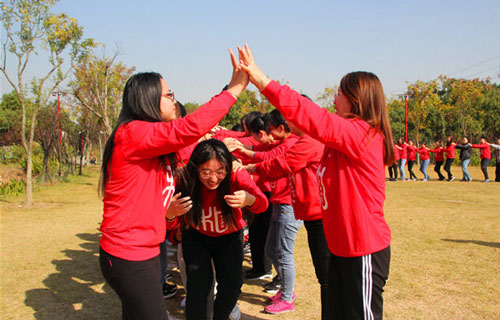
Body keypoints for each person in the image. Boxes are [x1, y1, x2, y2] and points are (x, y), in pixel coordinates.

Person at [238, 44, 394, 320]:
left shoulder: (362, 134)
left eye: (339, 93)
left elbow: (309, 116)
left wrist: (262, 81)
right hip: (341, 248)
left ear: (354, 98)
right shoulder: (339, 139)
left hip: (363, 249)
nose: (334, 98)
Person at [98, 48, 248, 320]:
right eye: (169, 95)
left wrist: (228, 88)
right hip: (128, 254)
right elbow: (188, 128)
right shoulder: (133, 133)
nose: (174, 100)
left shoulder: (156, 145)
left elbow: (192, 134)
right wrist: (235, 91)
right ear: (148, 99)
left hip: (146, 250)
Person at [167, 139, 268, 320]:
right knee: (198, 289)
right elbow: (170, 222)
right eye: (205, 172)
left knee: (232, 286)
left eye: (220, 172)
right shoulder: (184, 179)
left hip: (229, 239)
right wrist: (170, 215)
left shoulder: (236, 174)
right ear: (195, 168)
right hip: (197, 238)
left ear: (227, 168)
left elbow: (262, 204)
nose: (213, 179)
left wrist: (249, 199)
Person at [245, 109, 331, 319]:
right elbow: (271, 155)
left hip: (296, 208)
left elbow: (280, 162)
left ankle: (286, 297)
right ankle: (285, 290)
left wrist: (250, 167)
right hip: (287, 205)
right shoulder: (301, 140)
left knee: (284, 253)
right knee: (273, 250)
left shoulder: (306, 142)